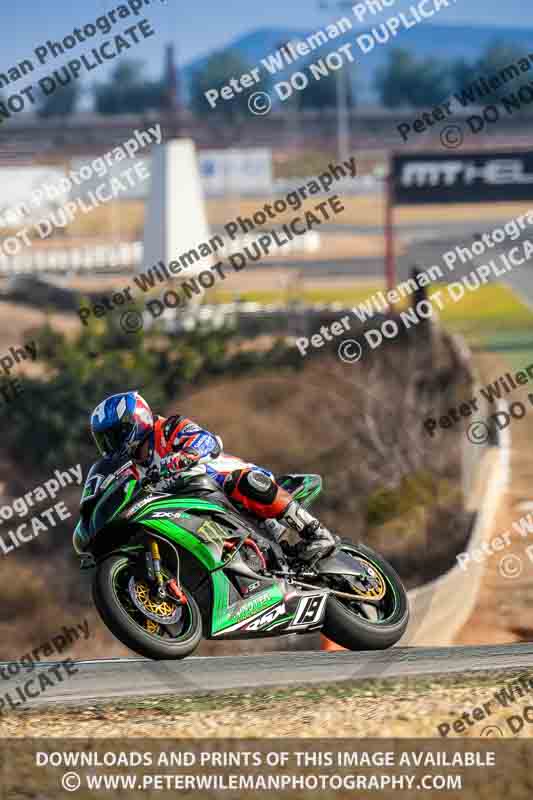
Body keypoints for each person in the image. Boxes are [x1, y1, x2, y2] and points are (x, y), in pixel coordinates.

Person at [89, 391, 337, 563]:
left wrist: (180, 458)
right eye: (105, 440)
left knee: (244, 482)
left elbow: (206, 441)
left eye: (115, 435)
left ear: (136, 420)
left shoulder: (168, 428)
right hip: (190, 509)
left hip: (222, 482)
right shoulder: (133, 469)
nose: (112, 445)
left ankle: (316, 533)